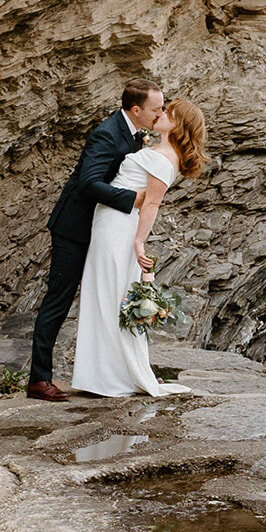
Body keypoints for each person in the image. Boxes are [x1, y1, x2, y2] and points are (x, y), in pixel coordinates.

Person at [27, 78, 165, 401]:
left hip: (103, 231)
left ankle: (116, 371)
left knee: (108, 300)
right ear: (135, 109)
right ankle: (38, 380)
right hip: (74, 229)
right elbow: (88, 183)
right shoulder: (106, 133)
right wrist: (134, 200)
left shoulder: (134, 134)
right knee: (58, 301)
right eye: (156, 109)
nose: (160, 114)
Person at [72, 97, 208, 397]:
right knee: (103, 291)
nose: (161, 113)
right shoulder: (158, 151)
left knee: (110, 293)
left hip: (119, 227)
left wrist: (138, 241)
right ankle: (101, 373)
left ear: (178, 124)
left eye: (168, 113)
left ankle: (110, 377)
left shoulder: (163, 159)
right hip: (111, 221)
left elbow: (153, 203)